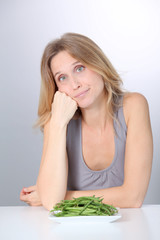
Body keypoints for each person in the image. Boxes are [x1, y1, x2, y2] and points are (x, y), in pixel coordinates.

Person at [20, 33, 153, 210]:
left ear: (97, 64)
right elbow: (52, 202)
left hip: (127, 227)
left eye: (79, 68)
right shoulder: (56, 121)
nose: (75, 84)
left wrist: (61, 196)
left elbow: (133, 198)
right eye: (62, 77)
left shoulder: (133, 106)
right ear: (56, 88)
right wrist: (58, 124)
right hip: (70, 230)